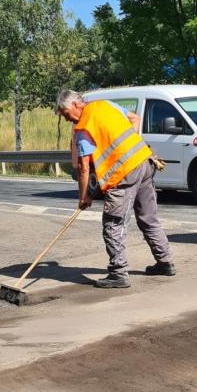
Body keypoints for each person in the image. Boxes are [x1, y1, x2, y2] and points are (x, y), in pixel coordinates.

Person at [57, 89, 175, 288]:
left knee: (113, 224)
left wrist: (84, 197)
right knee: (149, 218)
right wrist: (131, 146)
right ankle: (165, 262)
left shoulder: (84, 127)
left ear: (76, 105)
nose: (68, 119)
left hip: (123, 175)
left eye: (66, 112)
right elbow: (134, 118)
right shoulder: (105, 105)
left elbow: (84, 167)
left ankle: (118, 273)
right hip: (144, 162)